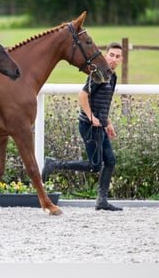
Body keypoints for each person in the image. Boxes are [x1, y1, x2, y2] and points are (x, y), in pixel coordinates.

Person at [42, 42, 123, 211]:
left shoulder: (112, 76)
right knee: (95, 166)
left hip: (99, 126)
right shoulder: (99, 73)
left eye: (118, 56)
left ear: (121, 59)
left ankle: (102, 201)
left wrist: (108, 122)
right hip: (89, 125)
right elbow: (82, 95)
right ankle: (53, 164)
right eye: (111, 55)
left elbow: (103, 102)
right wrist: (91, 116)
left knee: (110, 161)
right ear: (105, 55)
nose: (114, 59)